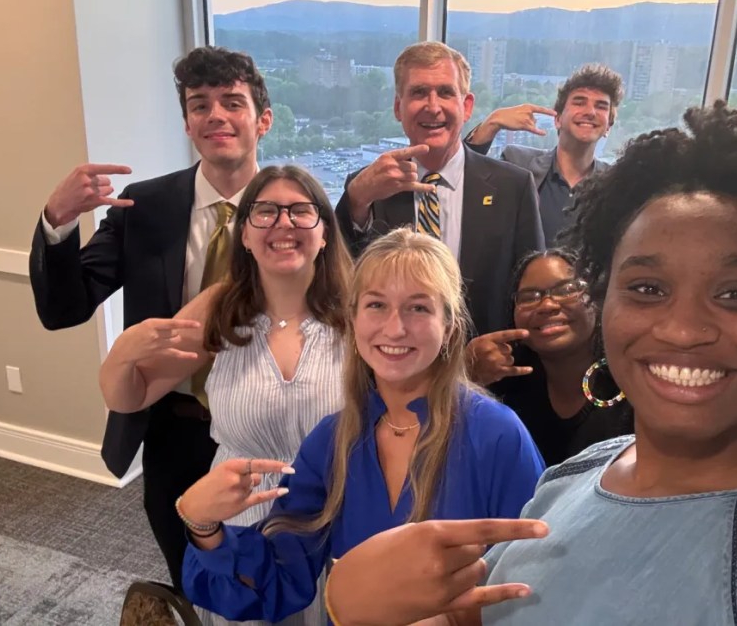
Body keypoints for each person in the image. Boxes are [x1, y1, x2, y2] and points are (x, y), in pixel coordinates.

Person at [320, 103, 737, 625]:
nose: (684, 329)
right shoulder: (571, 480)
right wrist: (352, 599)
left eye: (736, 294)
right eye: (648, 288)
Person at [176, 228, 546, 623]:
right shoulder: (332, 441)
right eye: (377, 305)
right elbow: (279, 580)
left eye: (418, 308)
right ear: (352, 321)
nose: (395, 328)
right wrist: (204, 525)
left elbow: (542, 584)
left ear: (450, 327)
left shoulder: (498, 437)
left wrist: (456, 618)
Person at [29, 46, 272, 592]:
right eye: (199, 104)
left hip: (267, 424)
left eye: (232, 102)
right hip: (173, 428)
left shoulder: (294, 209)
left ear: (263, 119)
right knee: (188, 574)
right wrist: (58, 221)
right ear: (187, 123)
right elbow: (64, 308)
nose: (215, 115)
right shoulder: (145, 207)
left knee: (266, 572)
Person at [100, 165, 349, 626]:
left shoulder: (361, 313)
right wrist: (122, 355)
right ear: (246, 236)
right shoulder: (222, 307)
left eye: (300, 210)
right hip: (238, 524)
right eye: (266, 212)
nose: (283, 223)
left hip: (333, 520)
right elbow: (129, 397)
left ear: (325, 232)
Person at [334, 41, 545, 336]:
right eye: (419, 92)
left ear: (466, 106)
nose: (433, 107)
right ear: (398, 107)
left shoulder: (513, 187)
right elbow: (341, 280)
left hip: (488, 360)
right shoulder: (368, 188)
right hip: (393, 355)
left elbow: (534, 291)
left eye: (445, 92)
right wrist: (356, 200)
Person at [487, 249, 633, 466]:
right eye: (529, 297)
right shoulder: (504, 387)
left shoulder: (631, 384)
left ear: (596, 298)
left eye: (566, 290)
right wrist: (468, 377)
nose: (547, 305)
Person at [465, 64, 624, 246]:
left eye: (601, 106)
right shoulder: (518, 163)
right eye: (579, 102)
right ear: (557, 119)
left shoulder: (615, 185)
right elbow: (464, 182)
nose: (590, 112)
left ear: (608, 126)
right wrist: (491, 124)